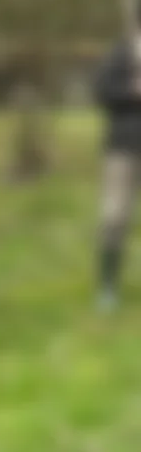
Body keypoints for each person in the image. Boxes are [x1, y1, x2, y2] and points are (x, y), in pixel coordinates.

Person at [95, 30, 141, 306]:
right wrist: (131, 91)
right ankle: (108, 288)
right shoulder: (122, 54)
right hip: (123, 149)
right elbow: (102, 91)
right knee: (114, 218)